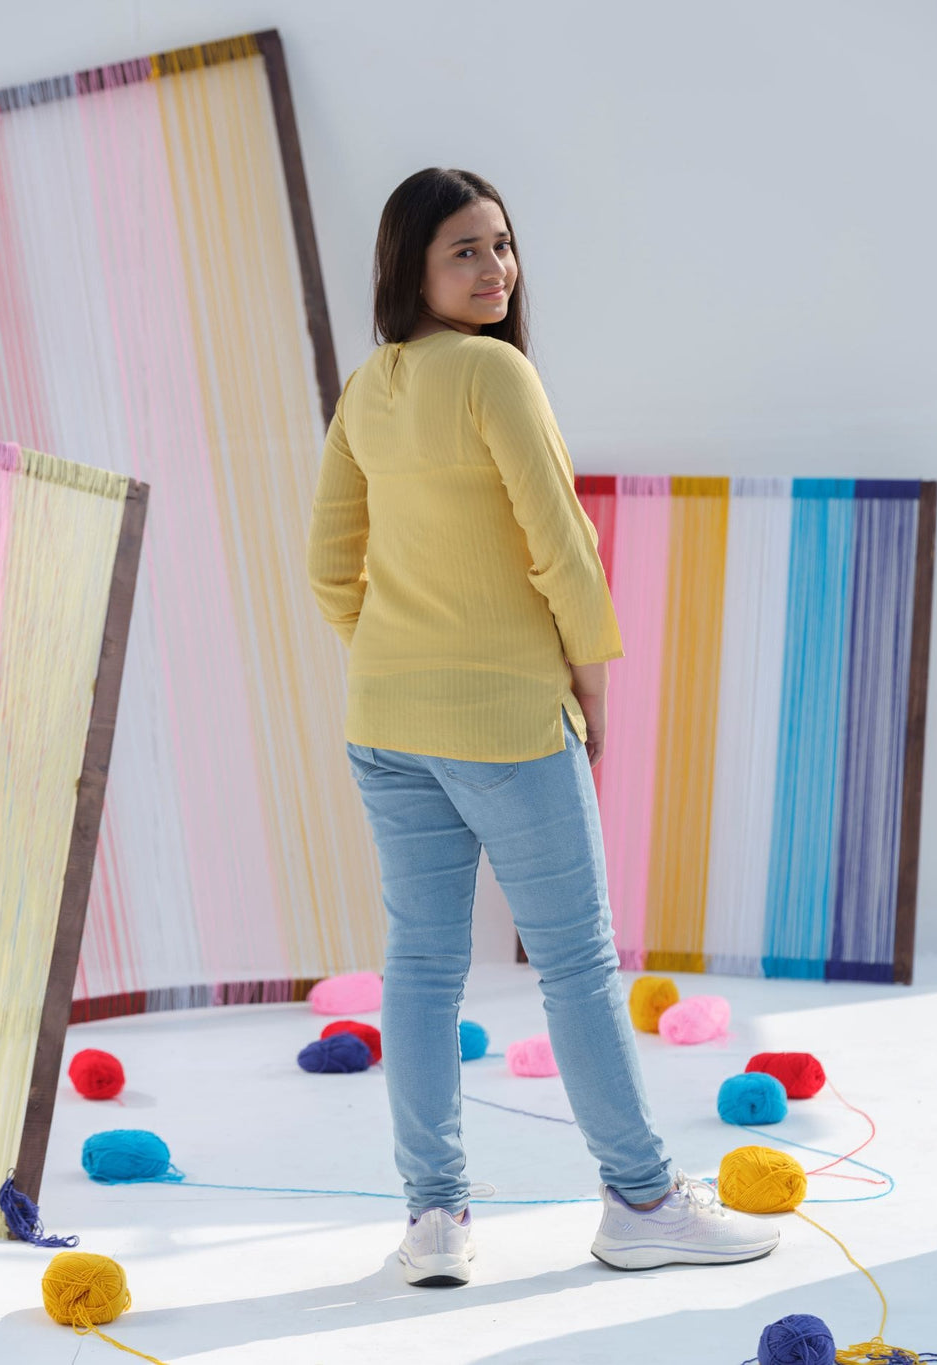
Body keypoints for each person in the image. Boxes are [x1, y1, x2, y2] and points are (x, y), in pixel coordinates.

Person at [306, 168, 778, 1287]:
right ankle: (643, 1202)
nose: (496, 269)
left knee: (422, 967)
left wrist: (397, 651)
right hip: (510, 718)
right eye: (464, 250)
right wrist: (590, 684)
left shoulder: (368, 386)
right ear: (412, 266)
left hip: (386, 718)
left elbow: (329, 563)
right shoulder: (494, 372)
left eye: (502, 244)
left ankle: (434, 1221)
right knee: (575, 962)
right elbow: (560, 542)